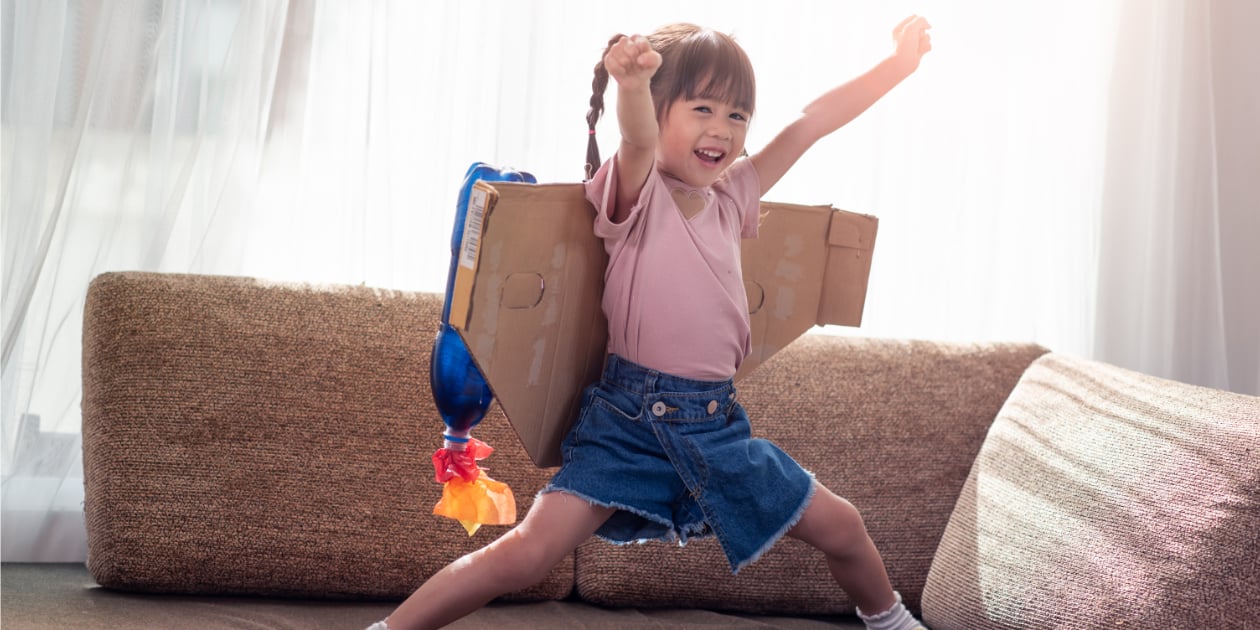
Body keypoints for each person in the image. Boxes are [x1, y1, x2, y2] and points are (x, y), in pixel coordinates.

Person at [371, 15, 932, 630]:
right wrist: (632, 86)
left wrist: (896, 68)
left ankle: (891, 621)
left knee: (843, 526)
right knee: (525, 554)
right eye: (702, 109)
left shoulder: (735, 196)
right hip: (628, 424)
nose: (721, 129)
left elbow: (810, 123)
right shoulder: (637, 196)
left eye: (737, 115)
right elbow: (637, 141)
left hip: (716, 426)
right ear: (660, 109)